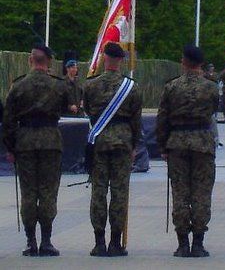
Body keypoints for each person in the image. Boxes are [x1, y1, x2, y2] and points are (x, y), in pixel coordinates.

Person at [2, 44, 75, 257]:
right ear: (49, 62)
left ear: (30, 60)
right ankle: (46, 240)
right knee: (48, 192)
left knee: (28, 192)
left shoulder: (18, 86)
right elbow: (69, 107)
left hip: (24, 143)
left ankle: (30, 241)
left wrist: (10, 146)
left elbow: (7, 121)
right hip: (50, 141)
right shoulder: (58, 86)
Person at [156, 45, 219, 258]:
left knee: (180, 192)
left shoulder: (171, 87)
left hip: (177, 144)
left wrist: (163, 146)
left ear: (183, 61)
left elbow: (162, 118)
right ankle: (199, 243)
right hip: (202, 142)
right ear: (201, 63)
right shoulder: (211, 87)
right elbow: (213, 111)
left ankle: (182, 243)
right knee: (202, 193)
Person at [83, 42, 142, 257]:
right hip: (123, 142)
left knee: (98, 191)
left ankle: (99, 242)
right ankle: (116, 242)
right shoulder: (131, 87)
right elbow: (136, 120)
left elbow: (89, 111)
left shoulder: (90, 85)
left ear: (104, 58)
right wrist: (134, 144)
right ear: (121, 60)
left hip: (99, 143)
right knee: (119, 192)